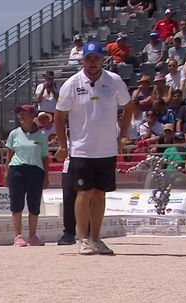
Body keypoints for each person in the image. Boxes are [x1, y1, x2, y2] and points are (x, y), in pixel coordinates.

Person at [54, 40, 133, 255]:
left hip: (107, 149)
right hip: (81, 149)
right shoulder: (71, 83)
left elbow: (129, 106)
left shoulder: (114, 81)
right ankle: (82, 239)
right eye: (88, 59)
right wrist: (63, 145)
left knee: (100, 194)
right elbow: (59, 116)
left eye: (96, 58)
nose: (92, 63)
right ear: (83, 60)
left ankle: (96, 238)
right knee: (83, 193)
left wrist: (123, 135)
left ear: (102, 60)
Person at [4, 104, 49, 247]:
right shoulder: (14, 134)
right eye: (19, 114)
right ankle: (18, 235)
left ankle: (32, 235)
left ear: (33, 116)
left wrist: (46, 176)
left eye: (24, 113)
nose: (20, 116)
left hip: (35, 171)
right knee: (17, 203)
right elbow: (9, 154)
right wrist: (6, 173)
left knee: (34, 204)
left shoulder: (41, 136)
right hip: (17, 170)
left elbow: (45, 157)